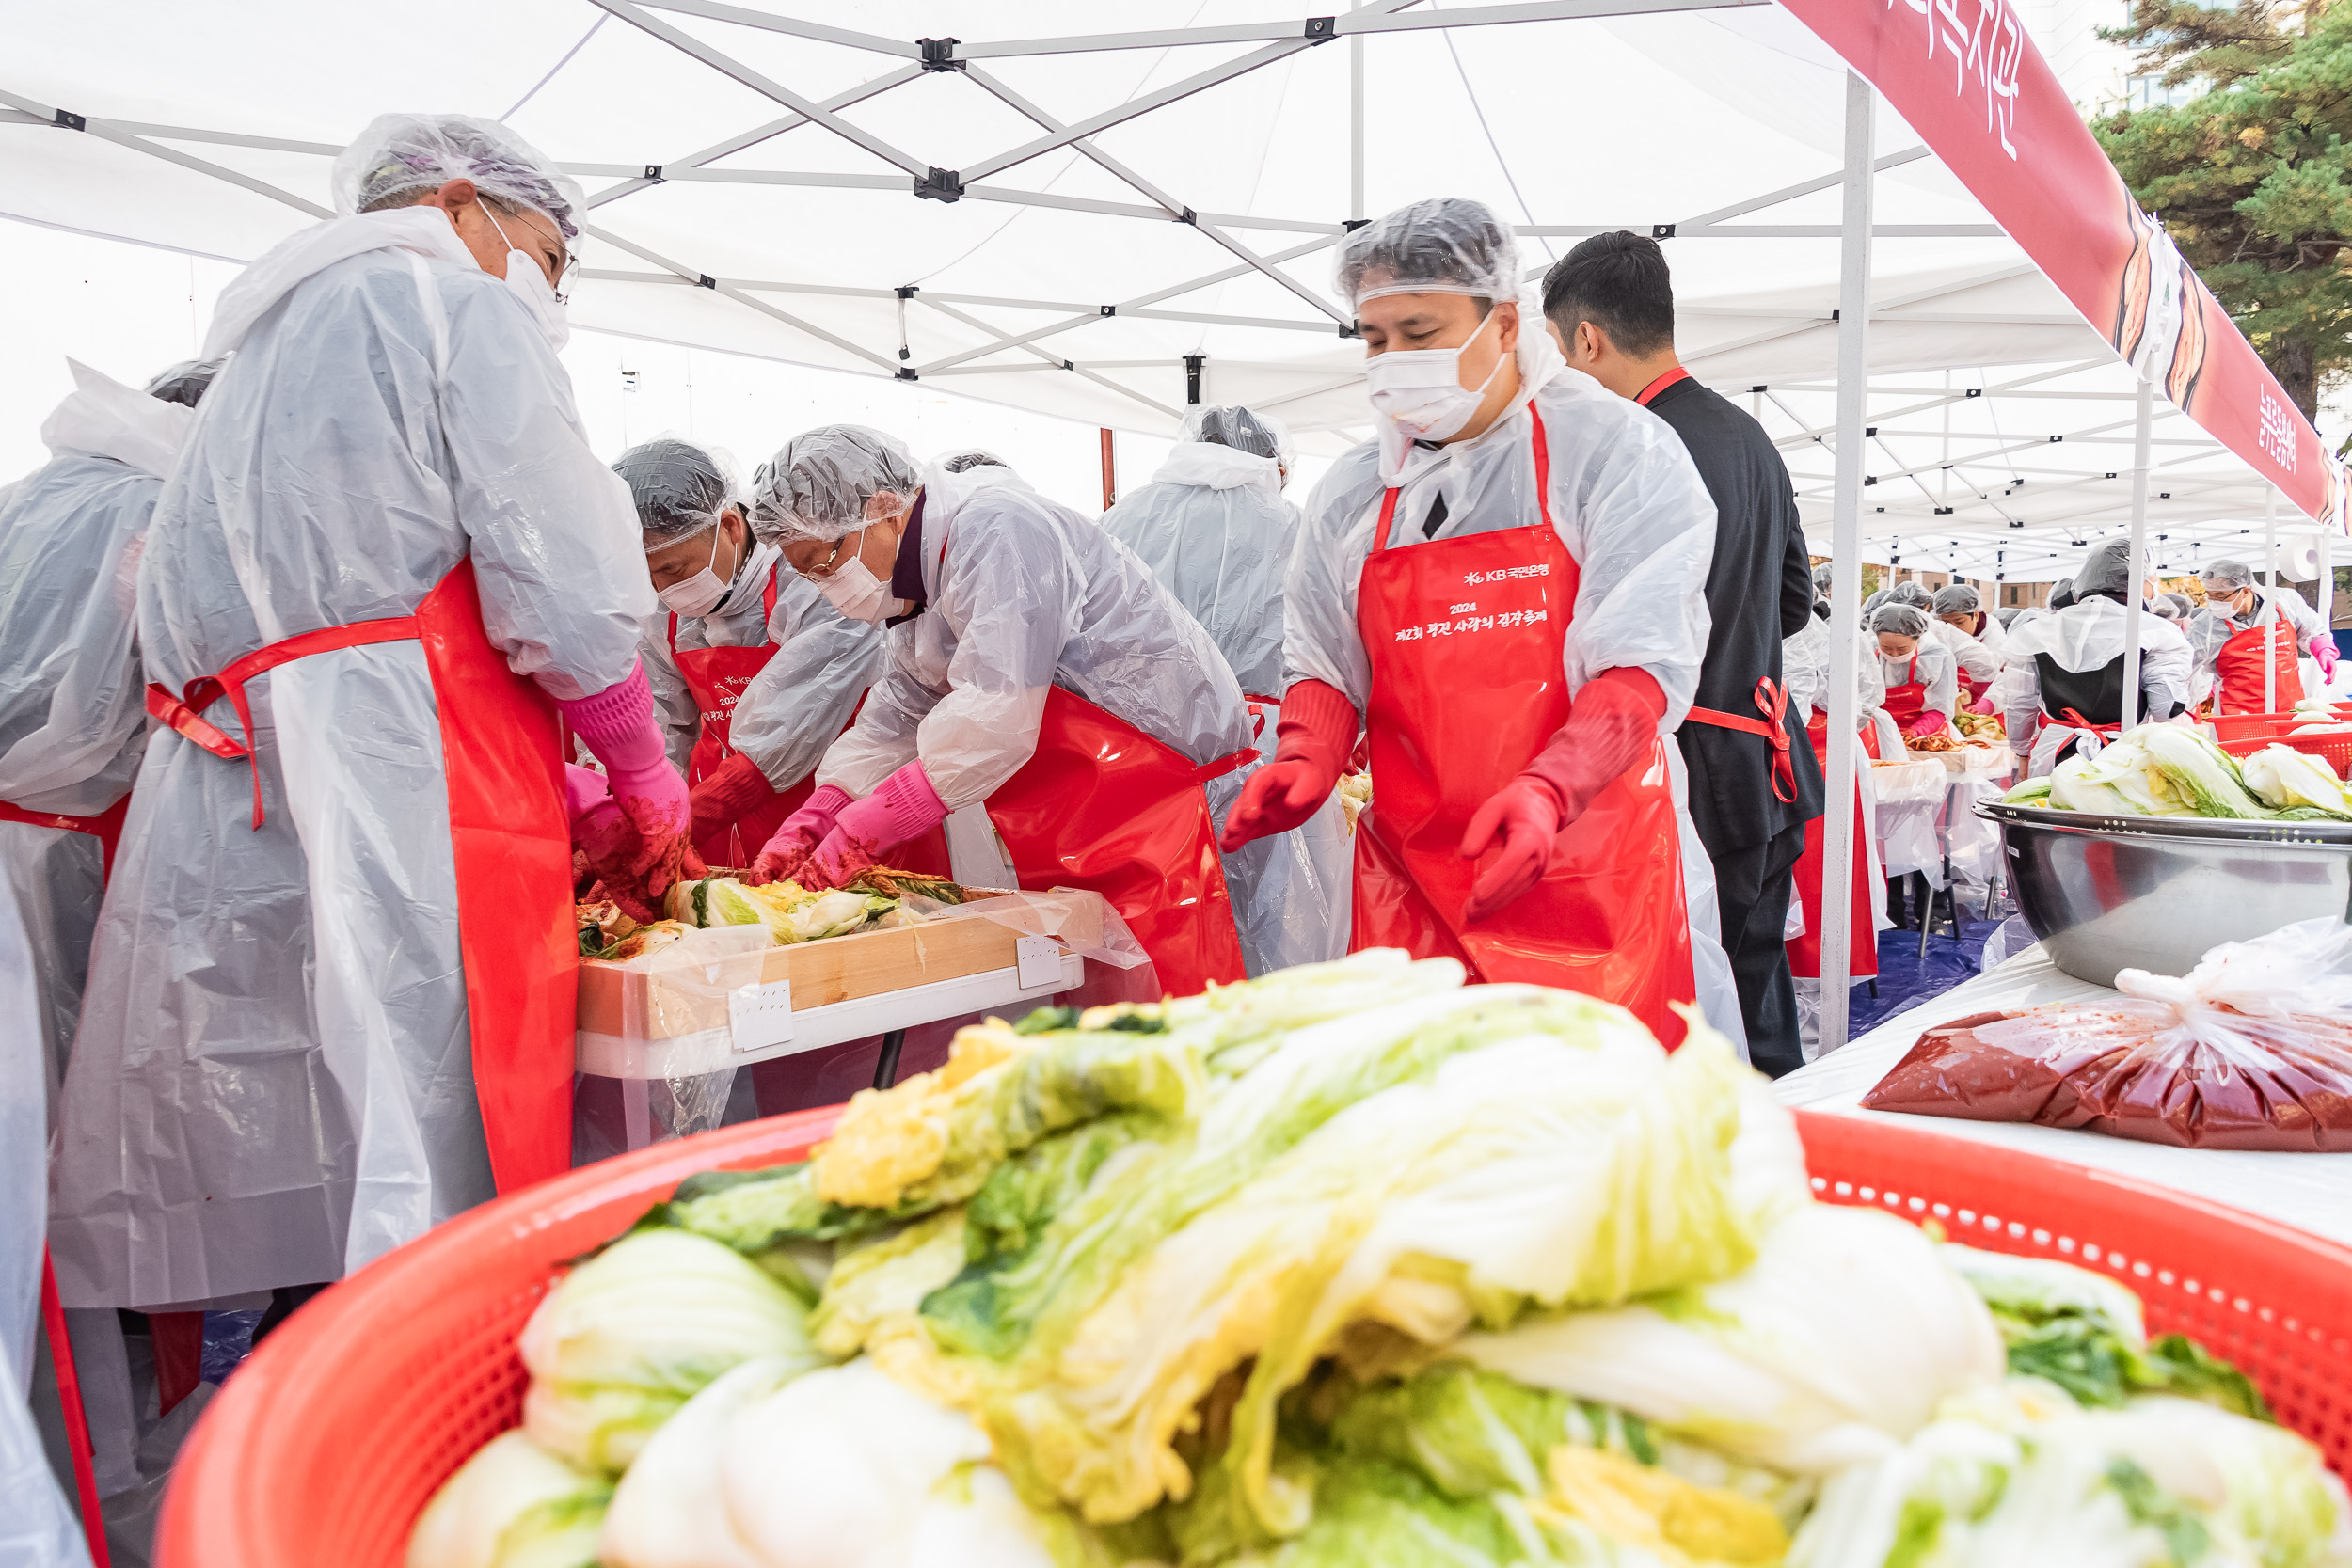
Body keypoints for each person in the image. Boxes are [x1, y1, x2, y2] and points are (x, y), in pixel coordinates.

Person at [49, 114, 673, 1320]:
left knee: (303, 1126)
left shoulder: (255, 360)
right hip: (400, 770)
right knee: (431, 1115)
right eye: (547, 249)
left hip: (245, 781)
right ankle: (431, 1382)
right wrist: (636, 759)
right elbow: (560, 570)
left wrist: (575, 783)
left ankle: (297, 1382)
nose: (547, 282)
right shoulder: (456, 309)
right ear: (456, 202)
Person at [1221, 198, 1735, 1050]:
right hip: (1413, 884)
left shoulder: (1613, 451)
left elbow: (1641, 665)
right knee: (1434, 1133)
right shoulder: (1355, 493)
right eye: (1374, 340)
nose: (1392, 362)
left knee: (1595, 1134)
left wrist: (1548, 788)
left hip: (1589, 865)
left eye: (1419, 332)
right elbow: (1323, 658)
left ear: (1503, 324)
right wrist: (1309, 755)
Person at [742, 425, 1341, 988]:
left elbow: (998, 715)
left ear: (881, 508)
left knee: (1205, 1007)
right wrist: (824, 808)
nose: (828, 582)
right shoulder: (915, 589)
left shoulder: (998, 531)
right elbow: (897, 712)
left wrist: (872, 824)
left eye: (824, 561)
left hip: (1177, 805)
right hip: (1098, 815)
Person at [1542, 230, 1822, 1075]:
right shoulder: (1751, 438)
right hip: (1766, 759)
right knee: (1757, 990)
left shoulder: (1631, 450)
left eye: (1558, 351)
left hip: (1687, 766)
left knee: (1693, 1012)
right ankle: (1792, 1160)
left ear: (1585, 339)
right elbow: (1794, 600)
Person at [0, 358, 215, 1115]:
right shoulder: (161, 515)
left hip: (31, 824)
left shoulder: (29, 496)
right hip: (81, 836)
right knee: (73, 1073)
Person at [623, 436, 949, 875]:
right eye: (647, 577)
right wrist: (641, 819)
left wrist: (695, 818)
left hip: (849, 806)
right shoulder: (663, 610)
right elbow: (654, 721)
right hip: (736, 812)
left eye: (673, 570)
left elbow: (802, 713)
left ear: (731, 527)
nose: (662, 589)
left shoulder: (817, 574)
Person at [2000, 540, 2192, 775]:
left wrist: (2022, 754)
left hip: (2054, 757)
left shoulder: (2036, 630)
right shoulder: (2156, 630)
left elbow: (2018, 704)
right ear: (2138, 582)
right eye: (2153, 579)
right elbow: (2166, 707)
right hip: (2124, 757)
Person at [2187, 558, 2326, 714]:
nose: (2214, 601)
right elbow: (2184, 667)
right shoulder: (2205, 625)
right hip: (2238, 714)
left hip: (2290, 707)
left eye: (2220, 595)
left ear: (2246, 591)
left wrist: (2322, 646)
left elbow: (2311, 628)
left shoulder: (2283, 602)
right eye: (2210, 595)